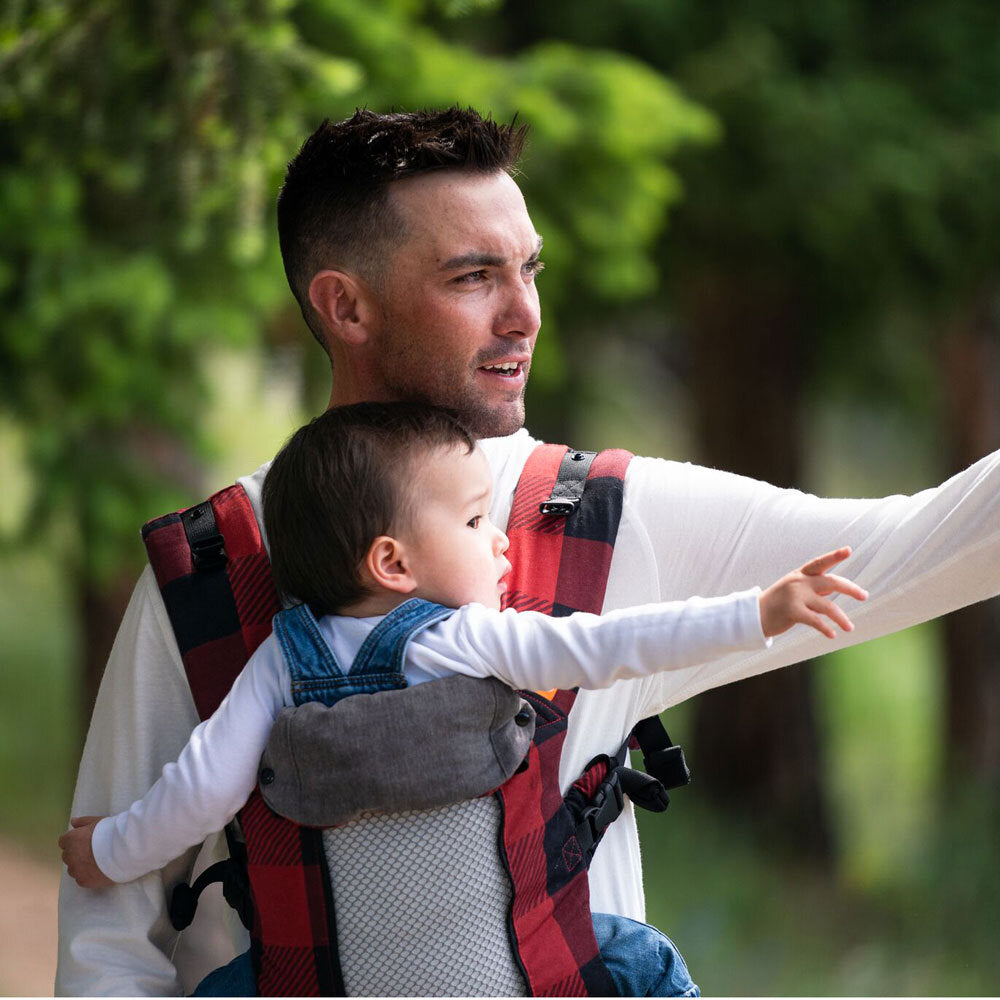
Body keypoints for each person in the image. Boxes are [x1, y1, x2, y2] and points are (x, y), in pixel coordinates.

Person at [56, 108, 1000, 996]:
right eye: (473, 277)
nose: (525, 314)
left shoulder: (612, 519)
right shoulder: (214, 570)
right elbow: (109, 939)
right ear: (346, 307)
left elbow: (938, 542)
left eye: (529, 269)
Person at [60, 401, 868, 997]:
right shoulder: (464, 639)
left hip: (336, 972)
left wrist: (109, 852)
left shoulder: (279, 661)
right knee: (641, 960)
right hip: (498, 963)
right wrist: (756, 613)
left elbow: (200, 791)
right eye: (478, 520)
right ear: (393, 563)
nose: (502, 539)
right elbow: (614, 644)